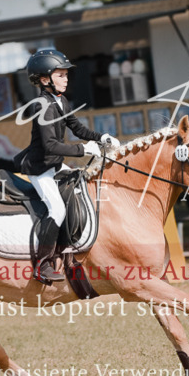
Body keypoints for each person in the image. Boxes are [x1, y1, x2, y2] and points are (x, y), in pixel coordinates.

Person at [14, 48, 120, 284]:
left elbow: (78, 129)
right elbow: (51, 145)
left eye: (66, 74)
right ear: (44, 80)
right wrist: (84, 150)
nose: (66, 78)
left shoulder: (61, 101)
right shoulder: (40, 105)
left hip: (55, 165)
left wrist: (101, 138)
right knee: (57, 210)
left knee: (83, 192)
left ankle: (71, 249)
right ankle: (42, 264)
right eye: (60, 75)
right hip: (40, 169)